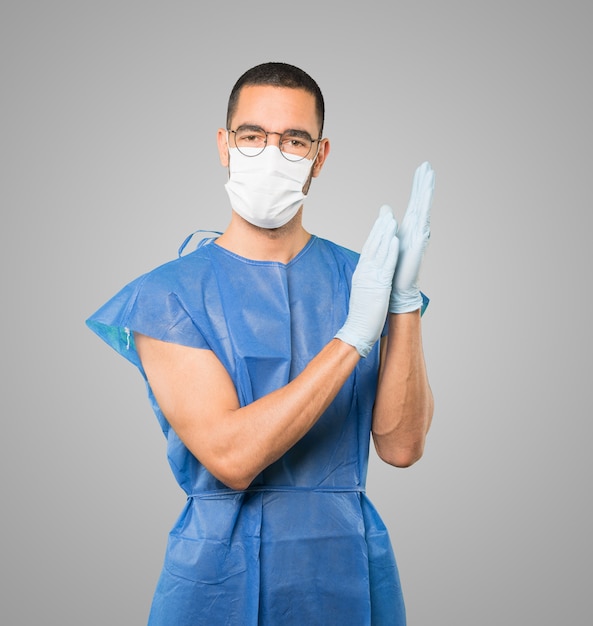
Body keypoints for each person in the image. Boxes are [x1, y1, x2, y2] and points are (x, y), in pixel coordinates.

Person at [86, 61, 435, 626]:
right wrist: (352, 337)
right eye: (253, 137)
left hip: (347, 570)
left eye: (294, 140)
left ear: (319, 157)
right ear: (224, 145)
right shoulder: (169, 295)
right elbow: (233, 457)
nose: (272, 155)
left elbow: (401, 448)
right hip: (222, 582)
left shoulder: (366, 279)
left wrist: (403, 304)